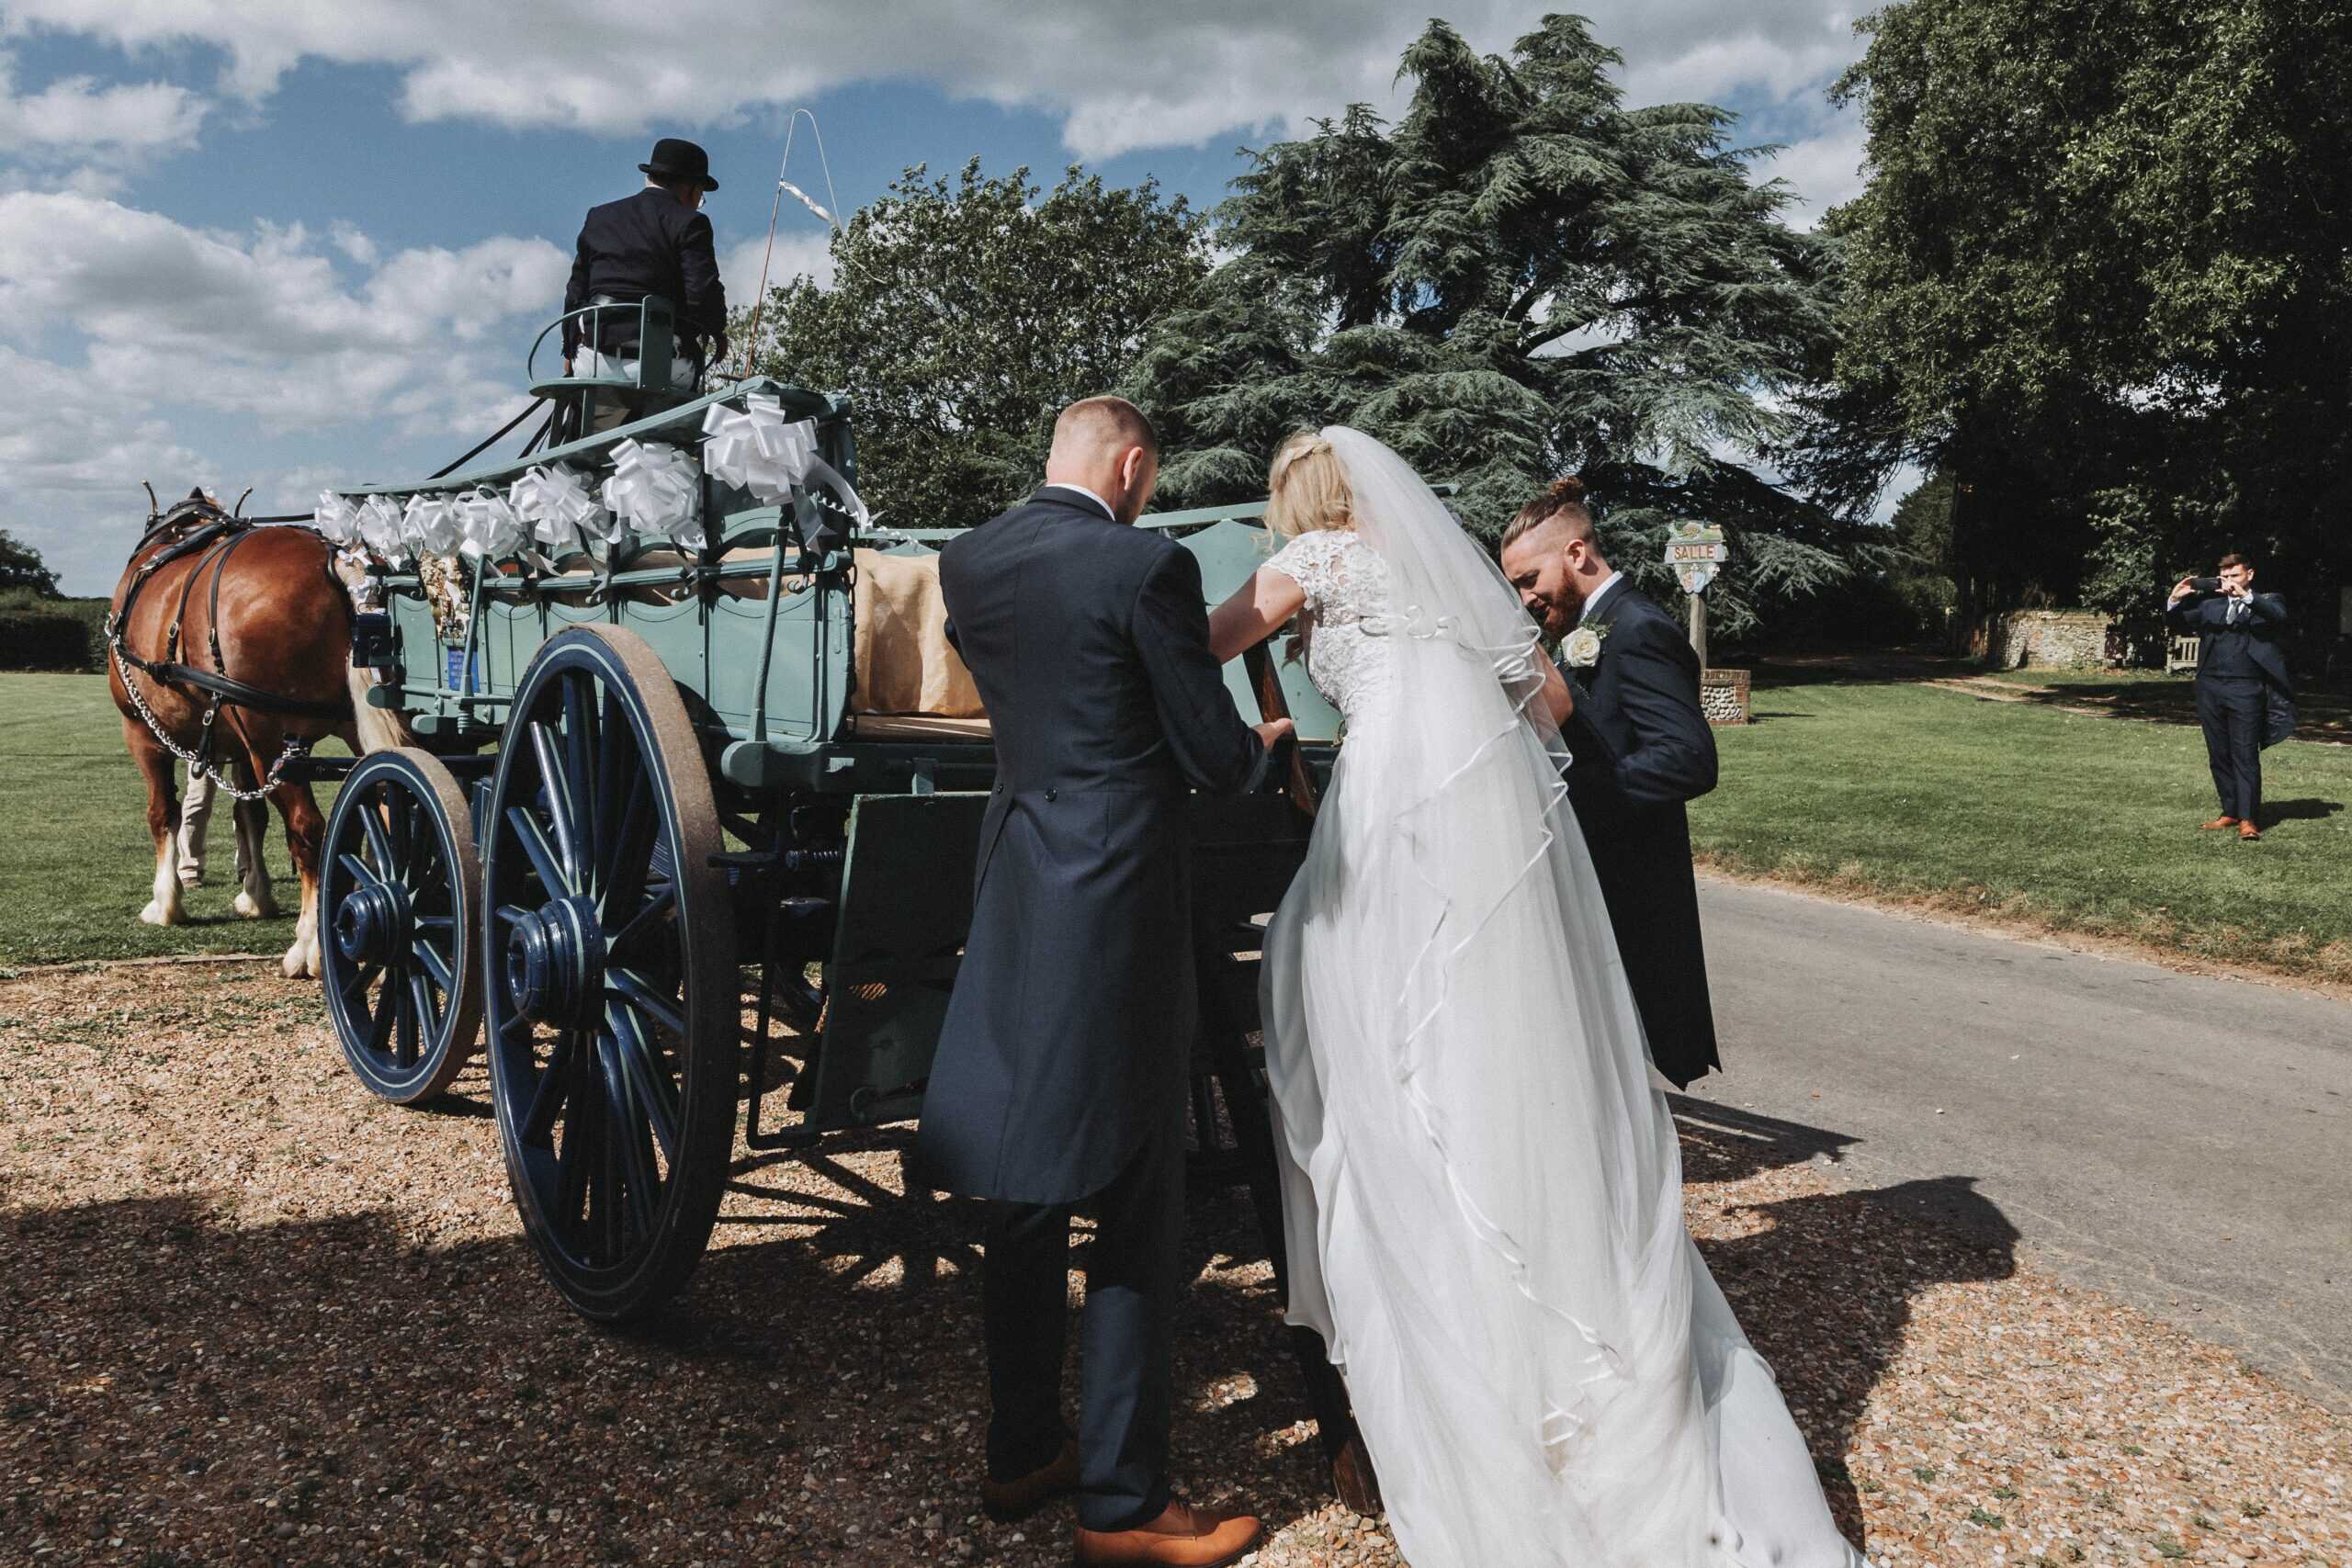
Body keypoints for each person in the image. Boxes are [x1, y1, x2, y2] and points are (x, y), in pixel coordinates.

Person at [1206, 429, 1869, 1568]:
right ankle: (1558, 1320)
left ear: (1301, 506)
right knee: (1492, 1061)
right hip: (1483, 828)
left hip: (1389, 817)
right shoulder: (1443, 574)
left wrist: (1272, 723)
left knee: (1372, 1049)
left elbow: (1195, 642)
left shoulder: (1314, 559)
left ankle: (1435, 1327)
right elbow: (1552, 703)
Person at [917, 397, 1287, 1568]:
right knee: (1135, 1189)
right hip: (1117, 899)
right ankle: (1124, 1506)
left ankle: (1023, 1447)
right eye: (1148, 481)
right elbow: (1210, 754)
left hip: (1016, 884)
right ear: (1130, 467)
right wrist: (1260, 754)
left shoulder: (968, 561)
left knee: (1025, 1176)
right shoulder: (1144, 566)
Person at [1499, 480, 1721, 1089]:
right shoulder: (1596, 625)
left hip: (1632, 879)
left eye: (1529, 579)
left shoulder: (1638, 628)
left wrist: (1569, 796)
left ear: (1576, 553)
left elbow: (1689, 757)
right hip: (1595, 874)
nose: (1525, 599)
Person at [561, 137, 729, 433]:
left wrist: (569, 351)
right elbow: (702, 295)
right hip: (661, 367)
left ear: (650, 177)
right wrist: (716, 330)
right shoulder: (690, 222)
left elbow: (575, 292)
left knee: (591, 426)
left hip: (594, 362)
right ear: (691, 188)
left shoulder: (599, 216)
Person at [2167, 554, 2293, 840]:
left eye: (2234, 575)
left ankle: (2248, 819)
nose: (2228, 582)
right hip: (2209, 687)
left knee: (2245, 754)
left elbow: (2279, 617)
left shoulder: (2266, 601)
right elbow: (2177, 624)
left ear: (2250, 574)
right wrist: (2175, 599)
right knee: (2219, 753)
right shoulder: (2210, 604)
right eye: (2224, 577)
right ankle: (2230, 811)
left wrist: (2245, 596)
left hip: (2246, 689)